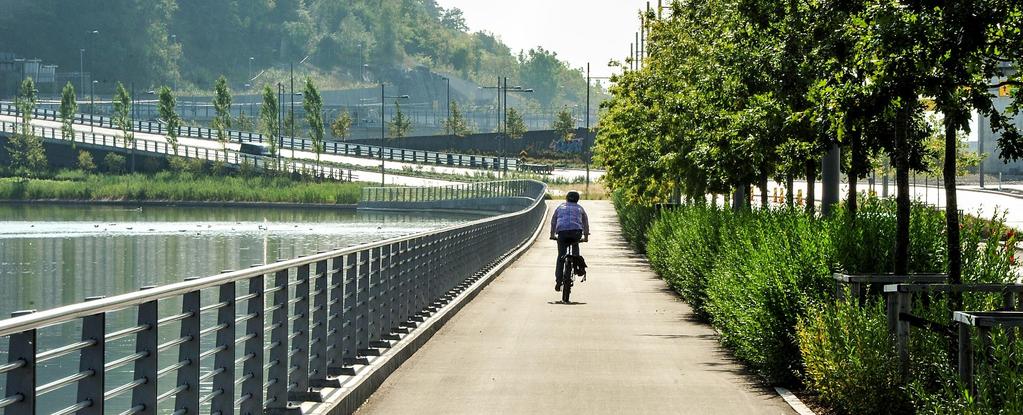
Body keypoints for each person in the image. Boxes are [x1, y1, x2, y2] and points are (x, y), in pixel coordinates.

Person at [550, 190, 590, 291]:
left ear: (566, 198)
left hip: (562, 233)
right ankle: (577, 266)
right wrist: (585, 237)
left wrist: (552, 235)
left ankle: (559, 281)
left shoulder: (560, 207)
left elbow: (553, 221)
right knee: (575, 248)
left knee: (561, 256)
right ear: (577, 199)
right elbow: (585, 223)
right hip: (576, 233)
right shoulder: (580, 208)